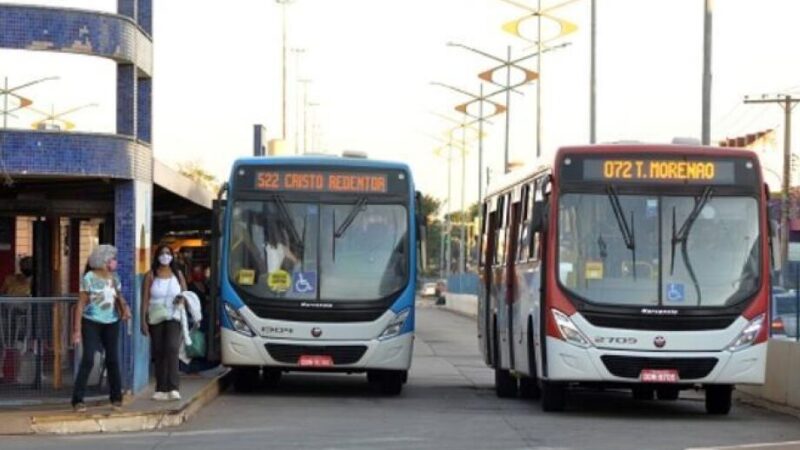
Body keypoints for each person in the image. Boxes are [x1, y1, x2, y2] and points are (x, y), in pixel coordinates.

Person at [71, 245, 131, 413]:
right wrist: (77, 329)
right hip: (91, 321)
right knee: (88, 358)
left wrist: (125, 310)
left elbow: (119, 297)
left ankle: (116, 397)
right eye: (112, 259)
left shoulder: (114, 278)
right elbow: (81, 303)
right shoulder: (89, 277)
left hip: (112, 322)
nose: (114, 262)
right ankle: (78, 399)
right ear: (104, 260)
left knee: (112, 359)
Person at [141, 245, 187, 401]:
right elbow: (145, 300)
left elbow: (185, 295)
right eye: (162, 253)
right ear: (157, 256)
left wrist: (182, 300)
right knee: (159, 351)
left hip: (174, 316)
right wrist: (143, 321)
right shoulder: (151, 275)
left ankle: (173, 387)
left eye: (168, 253)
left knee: (172, 348)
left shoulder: (177, 275)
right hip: (155, 316)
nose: (165, 256)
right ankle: (161, 388)